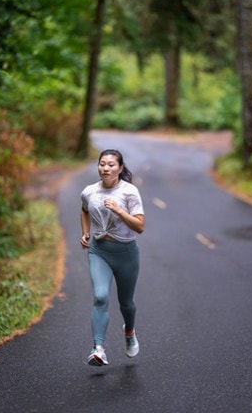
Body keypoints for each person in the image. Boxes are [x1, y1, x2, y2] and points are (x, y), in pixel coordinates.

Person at [80, 149, 145, 366]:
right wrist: (85, 232)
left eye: (111, 165)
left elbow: (140, 226)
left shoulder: (129, 192)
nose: (105, 168)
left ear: (120, 168)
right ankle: (98, 349)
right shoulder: (89, 191)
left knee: (126, 303)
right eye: (102, 164)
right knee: (100, 297)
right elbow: (84, 209)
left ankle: (129, 331)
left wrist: (118, 210)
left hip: (126, 253)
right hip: (99, 251)